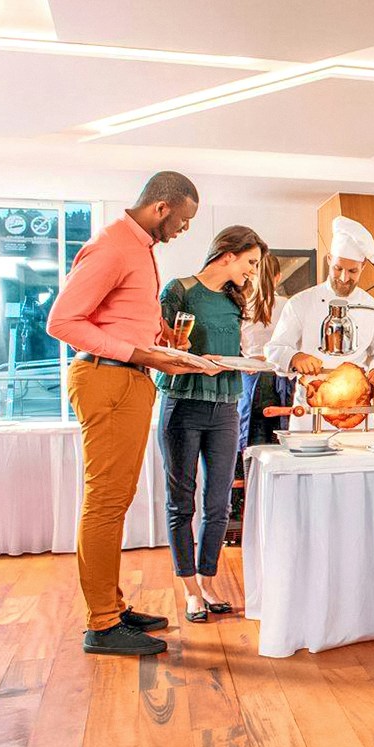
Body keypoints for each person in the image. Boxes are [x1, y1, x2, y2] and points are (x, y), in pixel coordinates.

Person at [47, 171, 220, 656]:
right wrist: (139, 354)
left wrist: (160, 335)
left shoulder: (137, 247)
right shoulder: (113, 246)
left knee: (115, 500)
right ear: (161, 208)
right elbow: (62, 322)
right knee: (105, 502)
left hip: (124, 378)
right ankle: (101, 623)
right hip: (107, 377)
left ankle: (112, 607)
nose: (184, 229)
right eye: (183, 220)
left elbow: (120, 314)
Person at [157, 226, 267, 622]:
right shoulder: (179, 290)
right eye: (250, 262)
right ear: (227, 255)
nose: (252, 272)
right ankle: (190, 592)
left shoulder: (234, 300)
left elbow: (236, 351)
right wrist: (187, 358)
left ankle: (206, 581)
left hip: (224, 408)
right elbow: (161, 347)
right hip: (182, 404)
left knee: (218, 506)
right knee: (181, 502)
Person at [263, 217, 374, 428]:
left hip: (356, 410)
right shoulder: (301, 303)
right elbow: (274, 349)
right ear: (328, 260)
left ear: (363, 266)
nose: (344, 278)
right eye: (338, 268)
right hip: (310, 409)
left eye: (352, 271)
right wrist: (295, 356)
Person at [238, 250, 291, 451]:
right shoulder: (288, 306)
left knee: (249, 437)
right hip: (281, 378)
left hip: (251, 377)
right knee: (280, 438)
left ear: (252, 275)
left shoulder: (243, 307)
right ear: (279, 277)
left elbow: (238, 348)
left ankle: (245, 477)